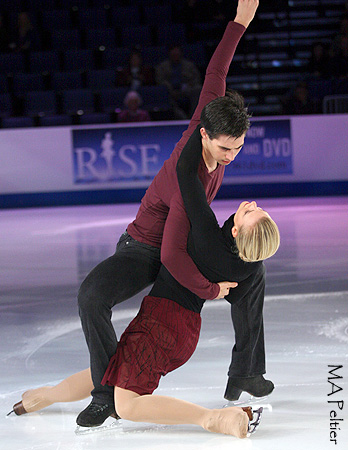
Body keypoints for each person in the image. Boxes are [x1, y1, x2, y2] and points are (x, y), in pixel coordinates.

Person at [10, 124, 279, 435]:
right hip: (180, 329)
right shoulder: (249, 267)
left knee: (127, 405)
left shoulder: (206, 236)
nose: (251, 205)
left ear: (235, 231)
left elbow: (185, 172)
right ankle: (39, 397)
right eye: (259, 209)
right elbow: (247, 306)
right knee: (109, 372)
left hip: (162, 325)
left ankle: (214, 419)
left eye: (252, 213)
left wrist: (203, 133)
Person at [76, 0, 262, 429]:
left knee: (255, 274)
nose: (230, 157)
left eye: (238, 148)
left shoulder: (211, 116)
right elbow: (172, 256)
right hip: (144, 249)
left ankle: (247, 369)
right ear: (204, 136)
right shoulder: (187, 175)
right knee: (91, 296)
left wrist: (239, 23)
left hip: (180, 243)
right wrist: (210, 289)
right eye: (223, 149)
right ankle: (106, 395)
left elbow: (216, 74)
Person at [155, 43, 202, 119]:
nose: (175, 54)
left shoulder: (189, 65)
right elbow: (159, 80)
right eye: (173, 53)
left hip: (187, 90)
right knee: (163, 94)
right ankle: (182, 118)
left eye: (177, 53)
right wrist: (170, 89)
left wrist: (188, 86)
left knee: (198, 89)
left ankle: (193, 117)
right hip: (171, 92)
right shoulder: (162, 67)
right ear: (170, 54)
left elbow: (196, 79)